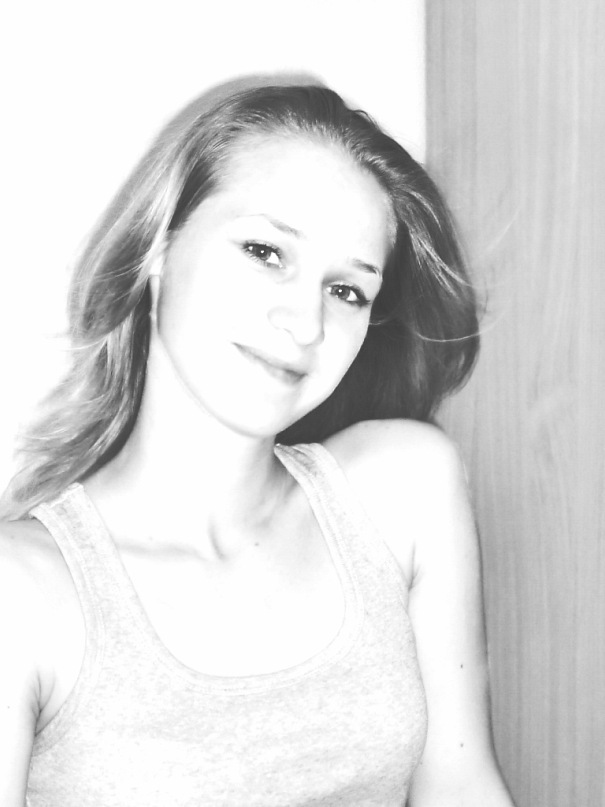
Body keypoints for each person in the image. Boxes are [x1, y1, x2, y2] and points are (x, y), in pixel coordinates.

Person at [0, 80, 515, 806]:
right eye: (265, 251)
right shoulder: (22, 593)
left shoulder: (404, 492)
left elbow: (462, 787)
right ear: (158, 247)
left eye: (346, 291)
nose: (306, 322)